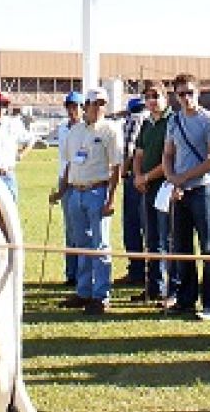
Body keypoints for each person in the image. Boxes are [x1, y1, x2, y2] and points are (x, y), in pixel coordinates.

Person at [54, 87, 122, 315]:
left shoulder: (110, 130)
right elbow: (69, 164)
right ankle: (83, 291)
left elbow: (116, 167)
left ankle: (101, 296)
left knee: (100, 245)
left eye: (103, 103)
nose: (99, 107)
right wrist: (62, 191)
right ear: (87, 105)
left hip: (98, 191)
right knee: (81, 245)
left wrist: (111, 198)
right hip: (75, 192)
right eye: (95, 103)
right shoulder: (74, 132)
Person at [162, 73, 210, 321]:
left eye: (190, 93)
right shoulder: (174, 121)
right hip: (180, 191)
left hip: (202, 190)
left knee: (209, 247)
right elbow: (168, 153)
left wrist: (184, 176)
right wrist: (172, 178)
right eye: (181, 94)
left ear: (198, 93)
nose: (186, 98)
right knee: (182, 247)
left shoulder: (209, 121)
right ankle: (186, 299)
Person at [132, 81, 174, 305]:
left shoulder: (172, 121)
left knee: (166, 237)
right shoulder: (146, 123)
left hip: (165, 187)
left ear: (165, 98)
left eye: (156, 96)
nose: (152, 100)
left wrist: (147, 177)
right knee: (151, 238)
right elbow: (139, 153)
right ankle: (153, 287)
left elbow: (170, 159)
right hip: (146, 188)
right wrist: (138, 175)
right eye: (148, 96)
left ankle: (169, 288)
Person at [49, 91, 85, 287]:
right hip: (64, 179)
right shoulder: (63, 129)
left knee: (81, 232)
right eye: (70, 107)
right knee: (70, 231)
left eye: (76, 107)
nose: (73, 110)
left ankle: (82, 274)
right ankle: (71, 273)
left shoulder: (85, 129)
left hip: (78, 181)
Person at [116, 97, 148, 287]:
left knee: (133, 226)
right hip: (153, 178)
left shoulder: (133, 120)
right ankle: (154, 273)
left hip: (134, 178)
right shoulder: (152, 120)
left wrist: (122, 172)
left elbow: (129, 150)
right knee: (152, 229)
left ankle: (136, 270)